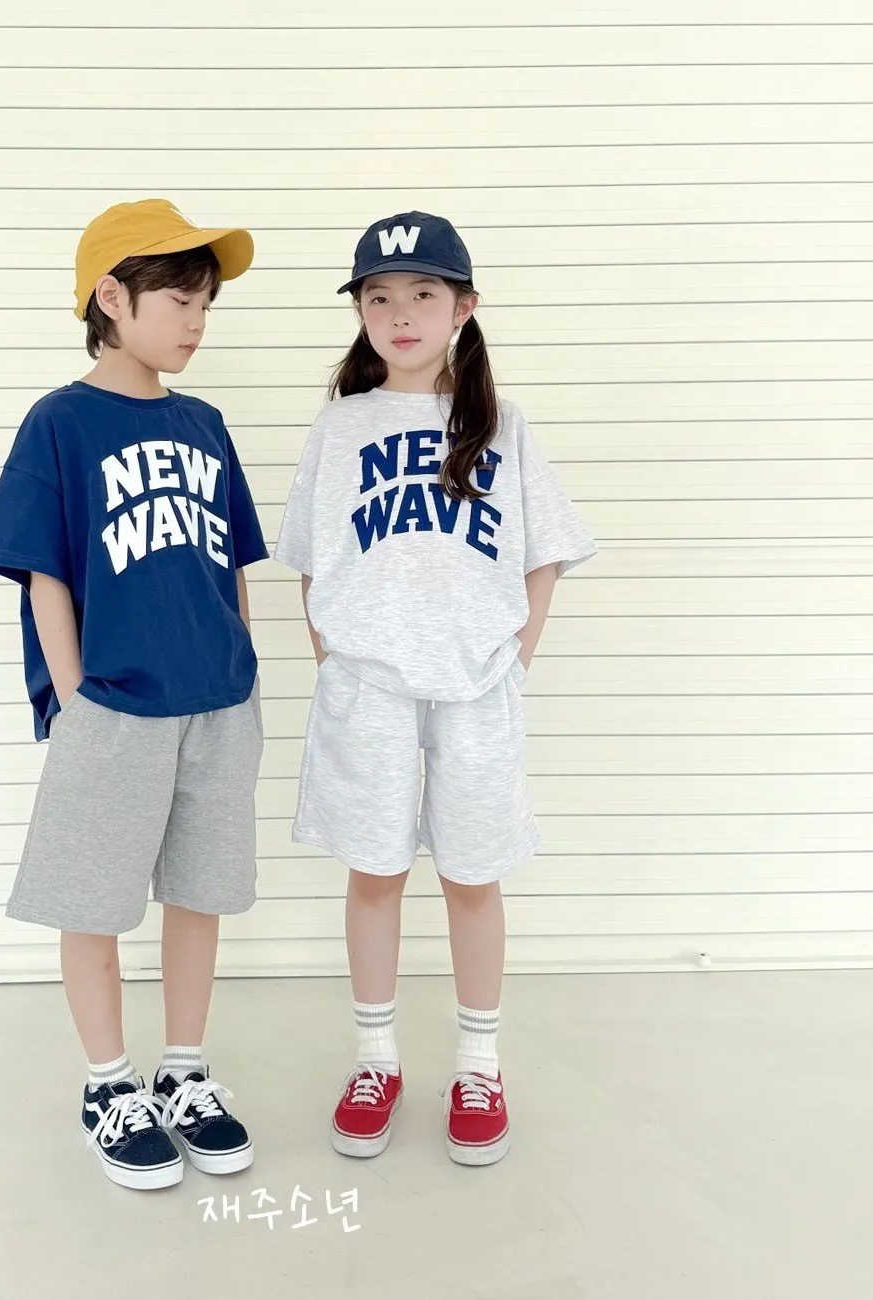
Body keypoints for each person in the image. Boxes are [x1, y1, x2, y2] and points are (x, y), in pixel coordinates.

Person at [274, 211, 596, 1166]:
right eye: (379, 296)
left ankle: (479, 1064)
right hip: (368, 686)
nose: (401, 314)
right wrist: (330, 654)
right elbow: (310, 555)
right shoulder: (342, 426)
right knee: (374, 873)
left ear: (464, 306)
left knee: (471, 874)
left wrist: (518, 655)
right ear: (360, 314)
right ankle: (376, 1057)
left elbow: (545, 553)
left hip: (476, 686)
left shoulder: (501, 424)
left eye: (423, 293)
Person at [0, 199, 268, 1191]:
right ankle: (108, 1083)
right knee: (91, 900)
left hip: (216, 701)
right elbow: (43, 571)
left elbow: (232, 561)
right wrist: (75, 699)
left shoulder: (204, 423)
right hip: (114, 706)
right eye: (180, 300)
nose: (196, 322)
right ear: (111, 296)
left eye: (206, 305)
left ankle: (183, 1071)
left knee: (199, 892)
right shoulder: (60, 422)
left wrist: (244, 665)